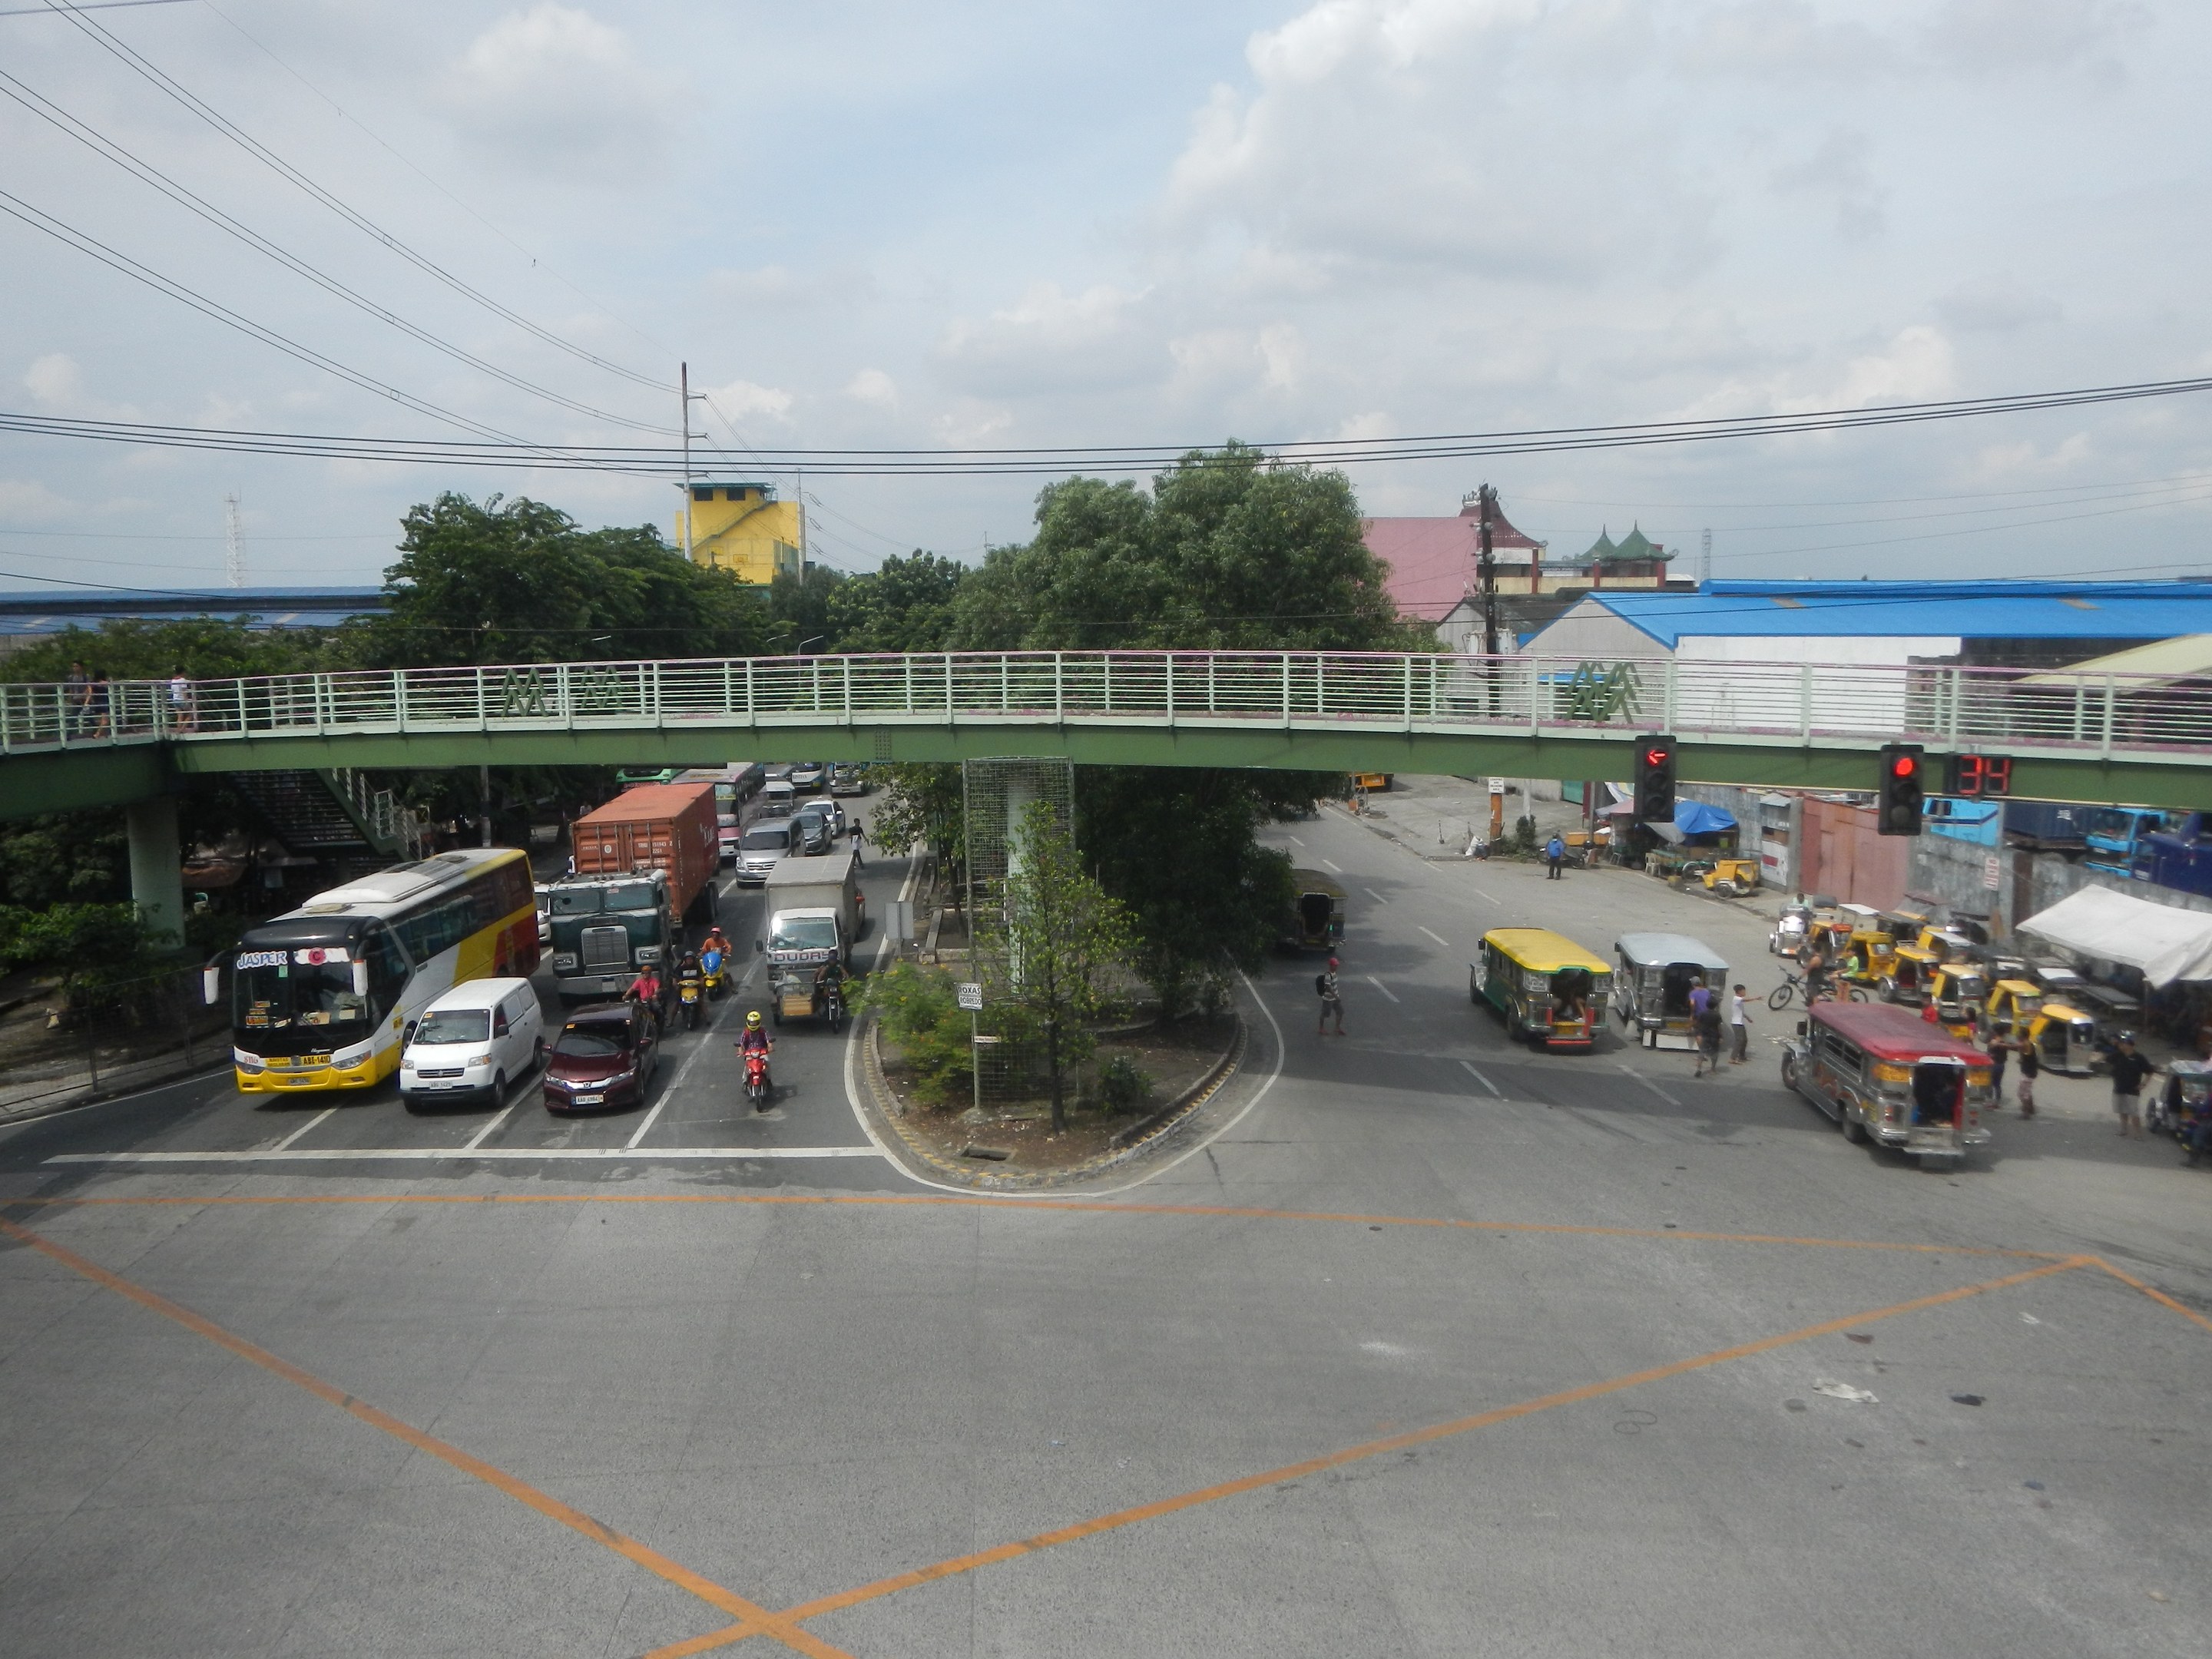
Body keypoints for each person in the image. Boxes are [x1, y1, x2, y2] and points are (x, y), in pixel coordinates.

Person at [2108, 1031, 2154, 1140]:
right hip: (2119, 1087)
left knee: (2134, 1112)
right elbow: (2107, 1059)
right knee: (2122, 1110)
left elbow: (2150, 1071)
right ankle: (2123, 1129)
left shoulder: (2139, 1058)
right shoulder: (2118, 1055)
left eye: (2123, 1043)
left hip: (2132, 1089)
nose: (2121, 1045)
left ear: (2129, 1045)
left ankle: (2138, 1134)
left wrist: (2144, 1084)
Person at [737, 1008, 774, 1103]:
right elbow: (740, 1043)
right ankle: (745, 1083)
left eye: (755, 1022)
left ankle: (769, 1080)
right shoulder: (746, 1032)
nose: (753, 1024)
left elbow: (768, 1041)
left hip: (761, 1051)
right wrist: (740, 1051)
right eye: (751, 1023)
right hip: (750, 1052)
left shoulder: (763, 1031)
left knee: (767, 1063)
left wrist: (770, 1047)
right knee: (747, 1068)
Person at [1692, 995, 1724, 1078]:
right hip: (1714, 1036)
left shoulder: (1702, 1014)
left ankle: (1699, 1069)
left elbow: (1697, 1023)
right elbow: (1719, 1027)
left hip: (1704, 1035)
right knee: (1714, 1054)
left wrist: (1697, 1032)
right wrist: (1721, 1037)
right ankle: (1712, 1069)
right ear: (1716, 1006)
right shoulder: (1717, 1015)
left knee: (1702, 1052)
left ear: (1706, 1005)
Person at [1317, 955, 1344, 1036]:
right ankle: (1321, 1028)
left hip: (1335, 998)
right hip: (1328, 999)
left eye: (1336, 965)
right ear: (1331, 965)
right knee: (1325, 1014)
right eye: (1335, 965)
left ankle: (1337, 1028)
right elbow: (1328, 987)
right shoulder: (1328, 975)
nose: (1336, 967)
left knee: (1340, 1012)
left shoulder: (1334, 973)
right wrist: (1336, 996)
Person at [2015, 1030, 2040, 1118]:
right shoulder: (2029, 1044)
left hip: (2028, 1072)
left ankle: (2026, 1112)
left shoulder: (2025, 1044)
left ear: (2023, 1036)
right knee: (2027, 1092)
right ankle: (2031, 1109)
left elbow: (2014, 1046)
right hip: (2030, 1072)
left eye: (2019, 1035)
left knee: (2022, 1093)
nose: (2017, 1036)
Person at [64, 658, 90, 737]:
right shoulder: (71, 677)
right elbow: (71, 688)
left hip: (84, 699)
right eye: (74, 667)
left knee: (89, 716)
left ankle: (96, 730)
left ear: (81, 667)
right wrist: (70, 698)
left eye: (76, 666)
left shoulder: (85, 677)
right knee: (73, 717)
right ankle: (69, 734)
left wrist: (83, 695)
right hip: (76, 700)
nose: (75, 668)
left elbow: (89, 687)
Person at [166, 664, 194, 733]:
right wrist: (186, 701)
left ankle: (178, 730)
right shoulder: (183, 680)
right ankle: (182, 729)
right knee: (190, 715)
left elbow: (173, 690)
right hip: (182, 700)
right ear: (183, 672)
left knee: (180, 716)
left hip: (175, 700)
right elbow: (184, 692)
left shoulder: (173, 681)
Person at [1729, 983, 1750, 1065]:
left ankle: (1742, 1056)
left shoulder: (1738, 1000)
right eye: (1744, 991)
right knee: (1739, 1040)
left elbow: (1740, 1012)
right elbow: (1746, 1000)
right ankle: (1732, 1058)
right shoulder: (1736, 999)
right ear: (1739, 991)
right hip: (1736, 1023)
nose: (1745, 993)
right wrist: (1756, 998)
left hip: (1740, 1022)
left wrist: (1747, 1017)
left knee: (1744, 1040)